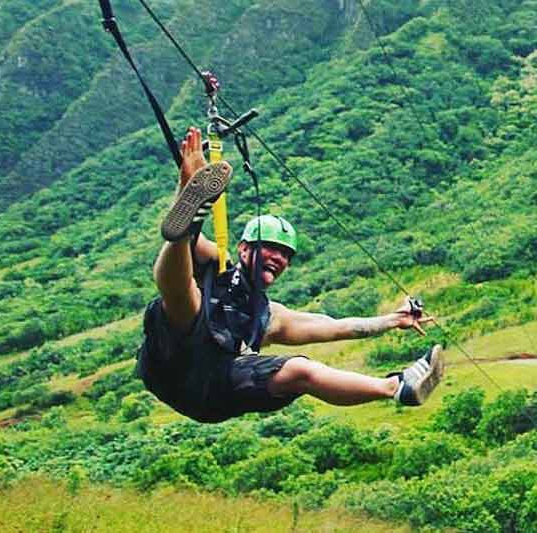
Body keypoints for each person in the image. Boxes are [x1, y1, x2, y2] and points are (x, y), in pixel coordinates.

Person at [137, 127, 443, 423]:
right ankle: (190, 210)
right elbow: (189, 248)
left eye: (285, 255)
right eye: (270, 248)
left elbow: (338, 327)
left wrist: (394, 320)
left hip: (215, 389)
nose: (279, 258)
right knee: (186, 285)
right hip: (170, 361)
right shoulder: (220, 261)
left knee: (300, 370)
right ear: (245, 249)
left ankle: (396, 387)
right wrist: (187, 191)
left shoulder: (269, 316)